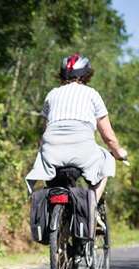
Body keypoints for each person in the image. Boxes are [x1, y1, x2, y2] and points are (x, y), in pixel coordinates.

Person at [25, 54, 127, 202]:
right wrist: (118, 152)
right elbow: (108, 136)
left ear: (62, 74)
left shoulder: (51, 95)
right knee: (106, 162)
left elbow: (45, 130)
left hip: (52, 152)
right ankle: (91, 206)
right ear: (86, 75)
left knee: (51, 184)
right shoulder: (92, 94)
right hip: (82, 151)